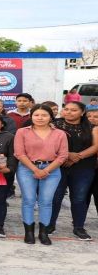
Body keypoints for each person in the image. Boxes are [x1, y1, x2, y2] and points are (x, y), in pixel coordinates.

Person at [14, 104, 68, 245]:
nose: (40, 118)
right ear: (31, 116)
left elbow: (62, 156)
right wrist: (35, 169)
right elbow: (19, 153)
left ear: (51, 116)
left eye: (44, 115)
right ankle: (29, 233)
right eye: (36, 115)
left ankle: (43, 233)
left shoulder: (60, 134)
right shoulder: (22, 132)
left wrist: (46, 170)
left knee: (46, 201)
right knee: (29, 200)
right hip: (27, 168)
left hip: (52, 169)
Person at [49, 101, 98, 240]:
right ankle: (50, 225)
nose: (69, 112)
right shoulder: (54, 124)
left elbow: (95, 147)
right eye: (66, 109)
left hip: (84, 167)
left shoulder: (92, 127)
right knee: (55, 196)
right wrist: (67, 155)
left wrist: (77, 156)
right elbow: (48, 144)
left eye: (73, 110)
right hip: (58, 165)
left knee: (79, 198)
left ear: (82, 112)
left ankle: (79, 227)